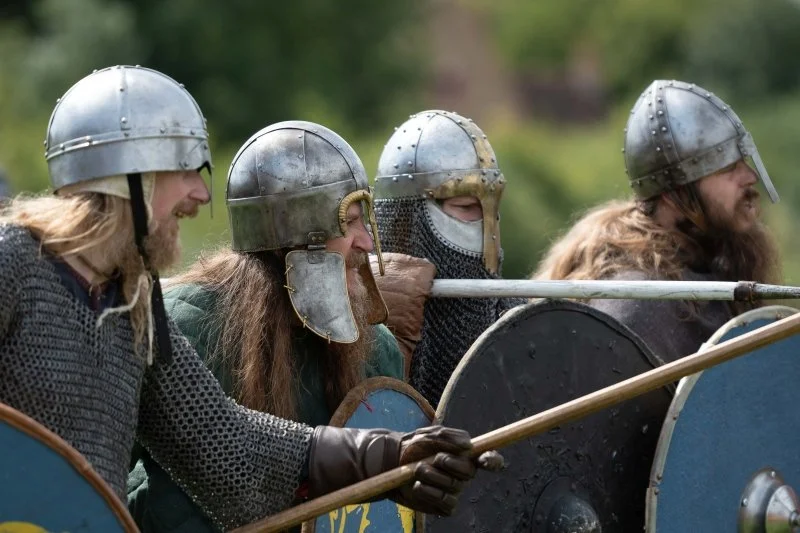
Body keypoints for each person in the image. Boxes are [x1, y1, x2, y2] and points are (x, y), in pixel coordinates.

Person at [0, 66, 501, 532]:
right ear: (128, 172)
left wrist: (387, 456)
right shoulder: (13, 266)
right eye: (185, 170)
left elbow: (223, 442)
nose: (200, 194)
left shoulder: (135, 298)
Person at [128, 121, 409, 531]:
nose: (366, 242)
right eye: (349, 222)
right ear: (300, 233)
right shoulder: (185, 328)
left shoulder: (376, 350)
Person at [532, 79, 782, 362]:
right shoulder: (636, 306)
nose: (750, 177)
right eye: (727, 168)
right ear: (674, 194)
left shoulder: (716, 263)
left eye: (744, 161)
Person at [372, 110, 523, 407]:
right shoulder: (362, 321)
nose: (487, 227)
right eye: (467, 205)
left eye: (493, 208)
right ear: (407, 216)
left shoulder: (516, 321)